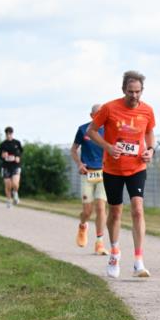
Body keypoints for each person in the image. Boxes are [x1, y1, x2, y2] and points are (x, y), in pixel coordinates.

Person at [87, 70, 157, 278]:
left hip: (137, 167)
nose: (134, 96)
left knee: (137, 209)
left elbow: (149, 132)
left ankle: (138, 261)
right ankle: (115, 252)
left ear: (142, 91)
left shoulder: (147, 111)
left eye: (137, 92)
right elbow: (91, 131)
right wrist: (108, 147)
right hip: (112, 169)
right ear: (123, 90)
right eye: (130, 91)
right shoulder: (109, 108)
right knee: (115, 211)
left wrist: (150, 150)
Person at [71, 104, 108, 255]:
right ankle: (83, 225)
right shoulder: (83, 129)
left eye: (102, 113)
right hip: (88, 173)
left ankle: (99, 242)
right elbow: (73, 149)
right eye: (97, 114)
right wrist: (79, 164)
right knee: (87, 211)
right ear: (91, 115)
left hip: (104, 173)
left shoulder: (109, 130)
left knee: (100, 207)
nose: (100, 116)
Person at [0, 127, 24, 208]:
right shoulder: (3, 144)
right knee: (8, 185)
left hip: (16, 166)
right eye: (7, 134)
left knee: (15, 184)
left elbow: (21, 152)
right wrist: (3, 156)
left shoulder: (17, 143)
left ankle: (15, 193)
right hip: (6, 166)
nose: (9, 135)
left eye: (10, 134)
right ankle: (8, 201)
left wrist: (17, 157)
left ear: (12, 134)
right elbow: (0, 155)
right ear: (5, 134)